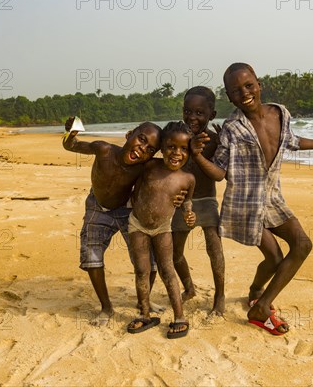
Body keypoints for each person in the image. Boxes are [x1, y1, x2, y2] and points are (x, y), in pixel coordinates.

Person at [191, 63, 313, 335]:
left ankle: (257, 295)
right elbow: (220, 173)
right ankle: (260, 306)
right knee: (275, 257)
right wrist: (198, 156)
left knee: (302, 245)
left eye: (248, 85)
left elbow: (291, 140)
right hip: (245, 206)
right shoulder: (232, 128)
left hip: (273, 199)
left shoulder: (280, 112)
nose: (244, 93)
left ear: (259, 84)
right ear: (229, 97)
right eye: (236, 90)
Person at [62, 119, 178, 326]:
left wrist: (180, 196)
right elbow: (70, 145)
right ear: (129, 134)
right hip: (97, 207)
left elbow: (172, 170)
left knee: (148, 262)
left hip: (128, 210)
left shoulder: (145, 167)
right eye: (141, 140)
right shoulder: (104, 150)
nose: (142, 149)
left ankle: (145, 301)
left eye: (150, 149)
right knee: (91, 255)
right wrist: (71, 133)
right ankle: (106, 307)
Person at [127, 121, 196, 339]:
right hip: (137, 224)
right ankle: (145, 314)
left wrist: (189, 214)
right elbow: (134, 181)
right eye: (171, 147)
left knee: (167, 270)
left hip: (163, 227)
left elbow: (187, 203)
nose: (177, 153)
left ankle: (179, 317)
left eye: (183, 149)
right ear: (162, 148)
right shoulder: (149, 166)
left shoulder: (188, 179)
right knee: (141, 270)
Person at [171, 86, 226, 316]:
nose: (192, 117)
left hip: (207, 200)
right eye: (188, 111)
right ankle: (189, 287)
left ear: (211, 115)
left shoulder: (214, 140)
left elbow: (220, 172)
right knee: (175, 254)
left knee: (214, 248)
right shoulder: (175, 137)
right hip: (181, 201)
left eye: (199, 113)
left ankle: (220, 295)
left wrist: (223, 141)